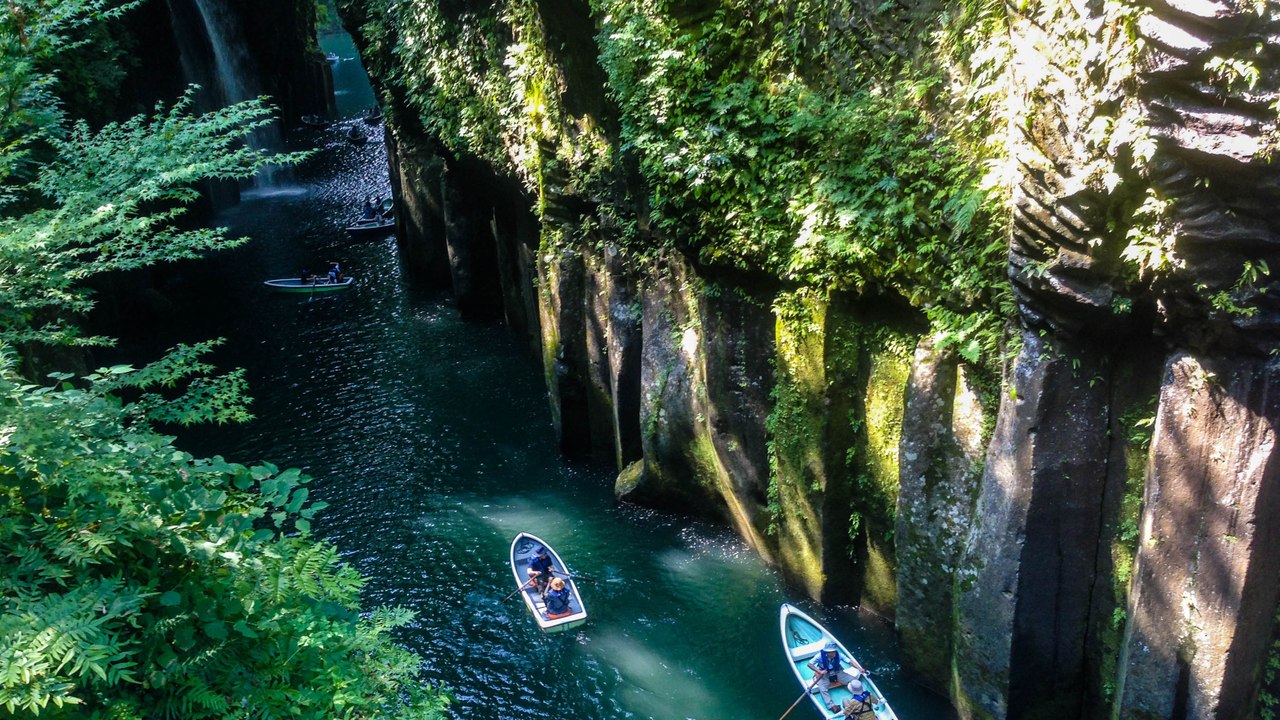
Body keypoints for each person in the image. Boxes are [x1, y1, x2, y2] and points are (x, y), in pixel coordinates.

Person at [808, 641, 864, 713]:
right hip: (824, 673)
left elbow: (850, 662)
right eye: (831, 652)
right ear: (826, 652)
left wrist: (859, 668)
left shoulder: (839, 655)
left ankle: (860, 697)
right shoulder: (819, 656)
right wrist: (819, 671)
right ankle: (831, 705)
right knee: (822, 688)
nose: (833, 653)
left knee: (853, 681)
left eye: (834, 651)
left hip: (837, 671)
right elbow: (809, 664)